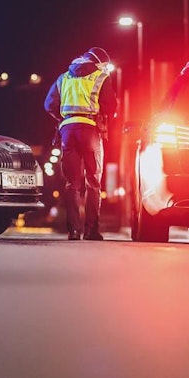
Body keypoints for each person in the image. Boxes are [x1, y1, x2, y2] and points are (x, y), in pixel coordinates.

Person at [44, 47, 118, 241]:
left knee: (72, 184)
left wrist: (63, 119)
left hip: (67, 131)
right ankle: (91, 231)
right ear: (97, 63)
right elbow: (111, 107)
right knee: (93, 182)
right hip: (91, 130)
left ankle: (73, 231)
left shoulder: (63, 78)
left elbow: (49, 105)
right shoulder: (100, 77)